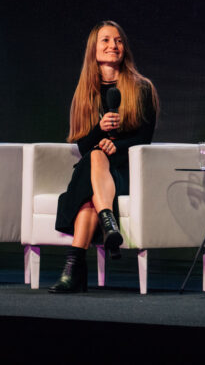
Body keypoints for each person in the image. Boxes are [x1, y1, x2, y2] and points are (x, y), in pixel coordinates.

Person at [49, 21, 159, 293]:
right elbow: (83, 145)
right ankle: (108, 220)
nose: (114, 46)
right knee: (95, 156)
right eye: (106, 41)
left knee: (90, 192)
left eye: (119, 41)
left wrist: (116, 148)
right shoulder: (85, 92)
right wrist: (101, 130)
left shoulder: (141, 88)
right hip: (94, 170)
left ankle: (73, 270)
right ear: (94, 50)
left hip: (123, 172)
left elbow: (144, 139)